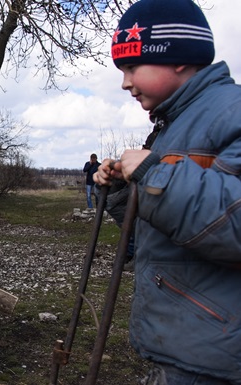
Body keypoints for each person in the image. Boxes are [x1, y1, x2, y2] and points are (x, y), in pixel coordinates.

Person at [96, 0, 241, 384]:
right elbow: (164, 223)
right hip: (191, 341)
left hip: (220, 354)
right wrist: (122, 190)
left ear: (178, 58)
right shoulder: (173, 124)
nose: (125, 82)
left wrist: (153, 173)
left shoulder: (233, 113)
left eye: (131, 67)